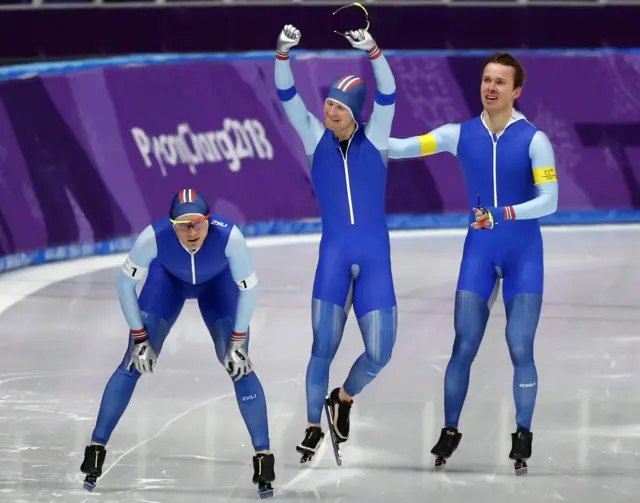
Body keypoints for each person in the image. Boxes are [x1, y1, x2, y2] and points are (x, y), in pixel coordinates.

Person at [388, 53, 559, 475]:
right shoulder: (457, 134)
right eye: (486, 79)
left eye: (500, 82)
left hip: (522, 254)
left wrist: (503, 214)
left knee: (520, 347)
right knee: (463, 344)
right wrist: (355, 133)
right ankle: (450, 429)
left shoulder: (535, 140)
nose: (490, 87)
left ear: (516, 91)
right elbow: (405, 147)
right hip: (479, 254)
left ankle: (522, 433)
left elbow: (550, 201)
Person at [80, 189, 275, 495]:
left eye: (198, 223)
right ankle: (96, 448)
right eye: (183, 225)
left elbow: (248, 290)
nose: (192, 231)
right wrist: (138, 336)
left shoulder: (230, 238)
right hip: (167, 283)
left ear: (209, 220)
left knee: (239, 364)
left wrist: (238, 340)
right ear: (171, 225)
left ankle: (263, 456)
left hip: (218, 287)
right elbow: (124, 285)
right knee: (132, 360)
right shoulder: (152, 238)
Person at [274, 24, 398, 462]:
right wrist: (283, 54)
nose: (329, 111)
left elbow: (388, 91)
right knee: (321, 347)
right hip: (334, 258)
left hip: (374, 261)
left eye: (338, 106)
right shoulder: (314, 137)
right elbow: (287, 97)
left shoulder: (377, 139)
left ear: (355, 113)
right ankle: (312, 426)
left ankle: (342, 398)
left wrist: (373, 50)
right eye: (327, 103)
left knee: (380, 352)